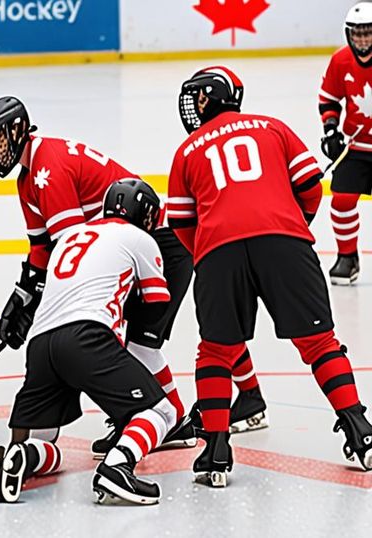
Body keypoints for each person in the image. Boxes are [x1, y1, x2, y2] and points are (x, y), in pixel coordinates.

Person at [0, 96, 209, 454]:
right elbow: (42, 251)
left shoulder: (48, 169)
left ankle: (168, 420)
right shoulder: (29, 178)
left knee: (138, 342)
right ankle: (161, 418)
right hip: (131, 242)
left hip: (158, 241)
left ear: (19, 130)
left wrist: (39, 305)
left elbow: (69, 248)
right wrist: (19, 300)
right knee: (131, 341)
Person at [169, 65, 372, 488]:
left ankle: (216, 450)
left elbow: (182, 222)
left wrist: (208, 251)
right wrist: (294, 230)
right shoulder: (274, 128)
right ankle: (360, 429)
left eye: (198, 97)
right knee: (319, 344)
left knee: (216, 352)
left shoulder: (187, 150)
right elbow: (311, 187)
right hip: (285, 241)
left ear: (208, 98)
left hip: (218, 250)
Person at [0, 179, 178, 506]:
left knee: (49, 447)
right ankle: (118, 468)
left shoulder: (70, 237)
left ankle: (24, 455)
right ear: (144, 214)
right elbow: (156, 303)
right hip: (88, 336)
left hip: (41, 345)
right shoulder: (140, 238)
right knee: (161, 412)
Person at [320, 2, 372, 285]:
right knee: (341, 200)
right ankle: (347, 257)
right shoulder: (341, 61)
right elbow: (329, 98)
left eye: (368, 33)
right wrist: (331, 130)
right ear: (348, 34)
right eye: (358, 34)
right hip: (358, 145)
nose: (363, 40)